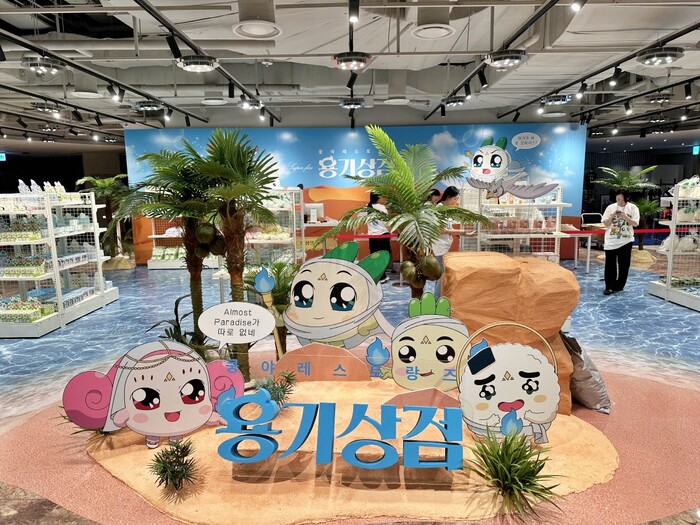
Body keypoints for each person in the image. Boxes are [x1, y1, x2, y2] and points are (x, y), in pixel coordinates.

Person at [601, 189, 639, 295]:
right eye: (618, 199)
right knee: (610, 264)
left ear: (627, 199)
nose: (620, 202)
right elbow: (605, 223)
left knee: (624, 265)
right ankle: (609, 286)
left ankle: (620, 285)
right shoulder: (610, 207)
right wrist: (612, 215)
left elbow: (635, 223)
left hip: (626, 240)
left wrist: (625, 217)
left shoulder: (633, 208)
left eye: (622, 200)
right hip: (611, 241)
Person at [432, 186, 461, 295]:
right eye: (455, 198)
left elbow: (449, 227)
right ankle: (436, 299)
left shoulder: (446, 210)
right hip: (440, 247)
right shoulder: (439, 209)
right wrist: (461, 232)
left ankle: (438, 297)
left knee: (441, 274)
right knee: (442, 275)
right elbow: (440, 230)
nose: (456, 201)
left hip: (445, 245)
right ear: (448, 197)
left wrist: (459, 232)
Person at [365, 192, 391, 284]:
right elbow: (386, 222)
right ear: (378, 198)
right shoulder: (382, 208)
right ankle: (382, 276)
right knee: (383, 257)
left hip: (372, 236)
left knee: (375, 256)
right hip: (383, 235)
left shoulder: (366, 207)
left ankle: (379, 275)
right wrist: (390, 231)